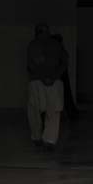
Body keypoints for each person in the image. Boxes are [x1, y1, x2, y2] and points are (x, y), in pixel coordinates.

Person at [27, 23, 67, 151]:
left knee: (47, 111)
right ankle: (43, 139)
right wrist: (52, 77)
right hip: (43, 81)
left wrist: (51, 77)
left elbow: (64, 62)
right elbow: (31, 64)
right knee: (44, 111)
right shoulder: (34, 45)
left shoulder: (39, 45)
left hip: (44, 81)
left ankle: (44, 139)